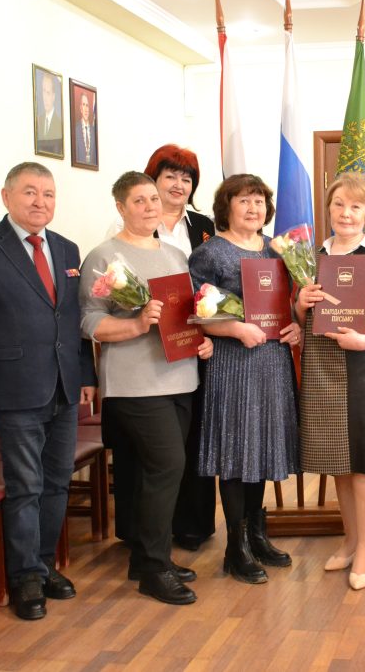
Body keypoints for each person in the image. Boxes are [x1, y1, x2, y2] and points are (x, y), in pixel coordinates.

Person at [0, 161, 97, 621]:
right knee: (25, 485)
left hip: (63, 385)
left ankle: (44, 565)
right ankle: (25, 577)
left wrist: (86, 374)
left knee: (56, 482)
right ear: (6, 197)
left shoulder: (67, 248)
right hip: (12, 388)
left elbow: (72, 321)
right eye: (30, 192)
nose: (40, 202)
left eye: (48, 194)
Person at [79, 172, 213, 605]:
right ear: (121, 207)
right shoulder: (104, 256)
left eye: (154, 199)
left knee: (162, 469)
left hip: (181, 378)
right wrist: (136, 325)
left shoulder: (175, 255)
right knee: (167, 465)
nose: (151, 206)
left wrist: (203, 339)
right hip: (134, 384)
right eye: (139, 200)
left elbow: (187, 314)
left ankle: (145, 557)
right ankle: (155, 569)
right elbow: (88, 321)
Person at [295, 173, 365, 591]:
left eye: (356, 206)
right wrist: (300, 303)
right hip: (324, 367)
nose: (346, 213)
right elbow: (298, 320)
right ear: (328, 208)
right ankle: (349, 540)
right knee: (339, 462)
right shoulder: (311, 256)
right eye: (339, 204)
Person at [188, 174, 301, 584]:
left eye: (259, 201)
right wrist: (236, 329)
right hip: (233, 363)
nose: (254, 208)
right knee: (237, 452)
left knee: (262, 448)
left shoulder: (278, 249)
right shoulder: (209, 253)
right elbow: (196, 313)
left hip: (272, 361)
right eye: (244, 201)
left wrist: (297, 326)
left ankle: (257, 536)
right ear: (226, 207)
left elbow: (289, 303)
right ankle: (235, 549)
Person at [146, 145, 218, 552]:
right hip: (150, 347)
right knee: (158, 443)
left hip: (198, 344)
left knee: (195, 434)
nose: (178, 185)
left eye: (186, 178)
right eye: (170, 176)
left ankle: (193, 525)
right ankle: (149, 532)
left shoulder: (204, 226)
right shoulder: (136, 220)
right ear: (153, 180)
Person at [35, 72, 62, 155]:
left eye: (48, 93)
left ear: (53, 96)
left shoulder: (59, 124)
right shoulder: (38, 121)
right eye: (44, 92)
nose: (45, 98)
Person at [73, 91, 96, 165]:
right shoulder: (76, 129)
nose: (86, 109)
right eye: (84, 105)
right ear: (80, 108)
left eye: (87, 105)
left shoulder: (94, 131)